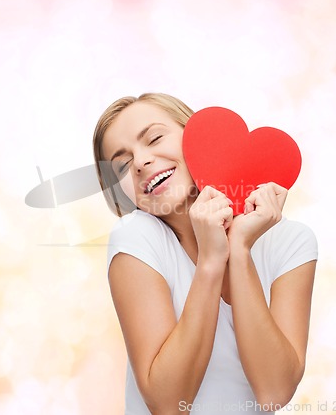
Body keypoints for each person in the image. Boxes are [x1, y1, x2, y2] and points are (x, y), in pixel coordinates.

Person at [92, 93, 318, 415]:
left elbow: (273, 392)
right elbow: (168, 404)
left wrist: (238, 249)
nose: (140, 162)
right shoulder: (136, 238)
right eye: (122, 165)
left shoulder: (291, 241)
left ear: (196, 134)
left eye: (154, 138)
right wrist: (211, 263)